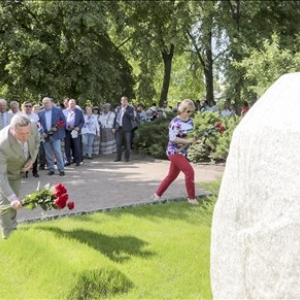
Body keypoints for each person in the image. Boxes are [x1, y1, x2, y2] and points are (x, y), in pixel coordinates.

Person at [152, 99, 199, 205]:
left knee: (172, 176)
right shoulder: (175, 122)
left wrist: (193, 139)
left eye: (192, 111)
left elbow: (190, 135)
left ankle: (157, 195)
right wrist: (187, 140)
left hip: (182, 152)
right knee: (189, 171)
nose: (190, 114)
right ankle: (191, 198)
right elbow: (172, 138)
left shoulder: (190, 121)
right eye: (188, 111)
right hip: (174, 152)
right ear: (182, 109)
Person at [0, 113, 40, 239]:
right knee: (6, 201)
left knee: (15, 202)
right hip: (5, 172)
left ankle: (13, 228)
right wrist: (11, 198)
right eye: (21, 134)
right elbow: (0, 174)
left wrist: (32, 160)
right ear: (12, 130)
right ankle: (8, 235)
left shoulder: (32, 126)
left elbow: (38, 141)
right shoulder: (3, 144)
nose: (25, 136)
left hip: (18, 172)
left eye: (27, 132)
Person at [38, 97, 66, 176]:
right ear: (42, 104)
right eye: (44, 103)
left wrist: (57, 127)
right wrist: (42, 132)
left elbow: (63, 120)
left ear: (51, 102)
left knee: (57, 151)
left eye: (47, 102)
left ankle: (61, 169)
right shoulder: (40, 113)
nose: (46, 104)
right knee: (48, 153)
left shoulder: (57, 110)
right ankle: (51, 169)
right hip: (45, 135)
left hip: (56, 134)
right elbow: (39, 125)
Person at [113, 96, 134, 162]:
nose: (123, 102)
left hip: (127, 129)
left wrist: (126, 112)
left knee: (127, 144)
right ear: (121, 101)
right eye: (122, 101)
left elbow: (132, 117)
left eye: (125, 101)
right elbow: (115, 118)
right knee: (118, 143)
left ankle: (126, 158)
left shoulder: (130, 108)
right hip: (119, 128)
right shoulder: (118, 108)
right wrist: (113, 127)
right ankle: (118, 158)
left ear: (127, 102)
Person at [64, 99, 85, 166]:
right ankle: (67, 160)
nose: (72, 105)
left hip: (75, 131)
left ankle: (77, 161)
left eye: (73, 103)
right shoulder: (65, 111)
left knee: (76, 146)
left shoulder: (79, 111)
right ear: (68, 104)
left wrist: (78, 127)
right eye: (70, 103)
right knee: (67, 146)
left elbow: (82, 121)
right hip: (67, 131)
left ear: (75, 104)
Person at [22, 101, 40, 178]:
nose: (28, 108)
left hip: (32, 137)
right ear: (23, 107)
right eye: (26, 106)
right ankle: (25, 171)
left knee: (33, 154)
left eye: (30, 106)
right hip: (23, 138)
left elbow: (39, 127)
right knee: (24, 155)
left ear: (32, 107)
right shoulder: (20, 116)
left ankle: (35, 171)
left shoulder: (35, 116)